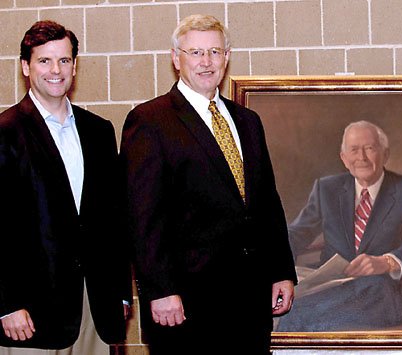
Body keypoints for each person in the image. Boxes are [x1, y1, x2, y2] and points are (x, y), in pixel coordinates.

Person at [119, 14, 297, 354]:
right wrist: (159, 290)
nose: (206, 62)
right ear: (176, 58)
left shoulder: (247, 121)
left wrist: (282, 271)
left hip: (249, 302)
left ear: (226, 57)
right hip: (185, 304)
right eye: (195, 53)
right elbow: (142, 217)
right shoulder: (150, 121)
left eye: (214, 52)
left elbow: (266, 204)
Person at [0, 20, 131, 355]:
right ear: (26, 67)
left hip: (94, 309)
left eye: (64, 60)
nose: (55, 70)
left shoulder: (99, 131)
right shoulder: (6, 131)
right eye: (44, 61)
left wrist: (120, 292)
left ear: (75, 65)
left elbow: (113, 219)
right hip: (29, 315)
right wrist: (6, 303)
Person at [276, 120, 402, 331]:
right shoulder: (327, 189)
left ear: (385, 154)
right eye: (354, 150)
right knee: (291, 313)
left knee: (314, 320)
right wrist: (277, 266)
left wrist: (386, 262)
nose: (361, 158)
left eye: (370, 148)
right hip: (332, 287)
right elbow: (297, 234)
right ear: (344, 158)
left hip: (384, 292)